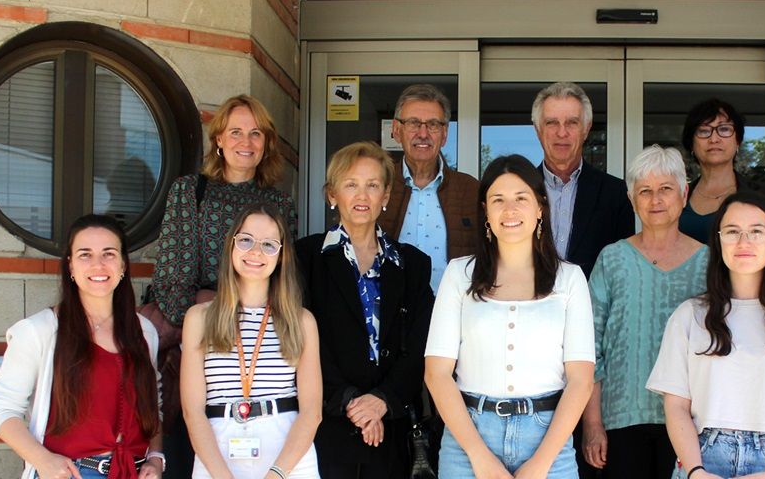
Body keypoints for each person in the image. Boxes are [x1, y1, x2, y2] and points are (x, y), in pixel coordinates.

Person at [149, 94, 297, 477]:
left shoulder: (279, 202)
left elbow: (284, 277)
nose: (245, 142)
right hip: (199, 340)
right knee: (189, 442)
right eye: (235, 132)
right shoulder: (191, 191)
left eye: (255, 133)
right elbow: (172, 274)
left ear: (266, 143)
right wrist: (206, 326)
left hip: (262, 342)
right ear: (218, 139)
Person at [647, 192, 765, 479]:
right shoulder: (690, 316)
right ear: (718, 240)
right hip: (703, 455)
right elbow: (675, 406)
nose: (743, 242)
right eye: (732, 232)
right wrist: (695, 471)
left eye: (756, 232)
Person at [424, 154, 595, 478]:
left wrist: (541, 463)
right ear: (485, 212)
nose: (510, 210)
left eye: (521, 198)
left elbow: (580, 380)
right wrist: (479, 456)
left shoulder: (570, 279)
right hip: (468, 437)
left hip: (548, 438)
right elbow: (437, 373)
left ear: (540, 207)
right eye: (498, 200)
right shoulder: (459, 274)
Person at [0, 214, 163, 479]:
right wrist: (42, 460)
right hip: (73, 473)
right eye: (85, 255)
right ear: (70, 266)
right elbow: (0, 409)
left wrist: (156, 458)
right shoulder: (39, 331)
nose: (98, 265)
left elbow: (153, 405)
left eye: (109, 254)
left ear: (123, 264)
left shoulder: (144, 331)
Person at [295, 141, 434, 478]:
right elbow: (299, 338)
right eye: (351, 184)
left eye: (373, 185)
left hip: (393, 429)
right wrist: (352, 402)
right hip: (327, 426)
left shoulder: (412, 263)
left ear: (385, 197)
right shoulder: (304, 258)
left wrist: (382, 400)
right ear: (332, 194)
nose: (362, 195)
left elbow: (421, 344)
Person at [580, 145, 709, 478]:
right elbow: (589, 347)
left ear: (684, 193)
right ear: (631, 198)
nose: (656, 200)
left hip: (693, 421)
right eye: (645, 191)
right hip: (621, 419)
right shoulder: (612, 259)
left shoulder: (709, 263)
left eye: (666, 189)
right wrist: (593, 423)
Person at [181, 204, 321, 479]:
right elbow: (192, 411)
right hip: (217, 453)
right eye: (246, 240)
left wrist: (277, 474)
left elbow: (312, 412)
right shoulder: (199, 318)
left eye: (269, 244)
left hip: (287, 456)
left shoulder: (302, 321)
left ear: (281, 256)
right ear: (231, 246)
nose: (256, 252)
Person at [378, 83, 482, 293]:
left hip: (453, 315)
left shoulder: (471, 190)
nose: (423, 133)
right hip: (392, 316)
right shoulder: (378, 186)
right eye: (414, 123)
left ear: (444, 134)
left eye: (433, 124)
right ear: (397, 131)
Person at [532, 81, 634, 278]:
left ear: (586, 129)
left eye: (572, 122)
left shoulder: (615, 193)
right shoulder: (521, 190)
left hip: (592, 308)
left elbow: (621, 270)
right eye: (552, 122)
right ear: (538, 131)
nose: (562, 133)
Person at [678, 98, 765, 243]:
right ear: (691, 144)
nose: (714, 139)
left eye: (724, 129)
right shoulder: (677, 199)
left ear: (738, 141)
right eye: (704, 131)